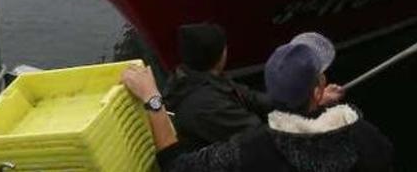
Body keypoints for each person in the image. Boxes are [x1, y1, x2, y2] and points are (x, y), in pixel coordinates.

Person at [123, 32, 393, 171]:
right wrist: (323, 104)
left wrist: (152, 99)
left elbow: (176, 166)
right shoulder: (365, 138)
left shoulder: (251, 149)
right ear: (318, 90)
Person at [164, 23, 276, 152]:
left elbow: (251, 98)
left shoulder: (201, 78)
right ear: (220, 53)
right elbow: (256, 136)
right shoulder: (207, 105)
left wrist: (290, 105)